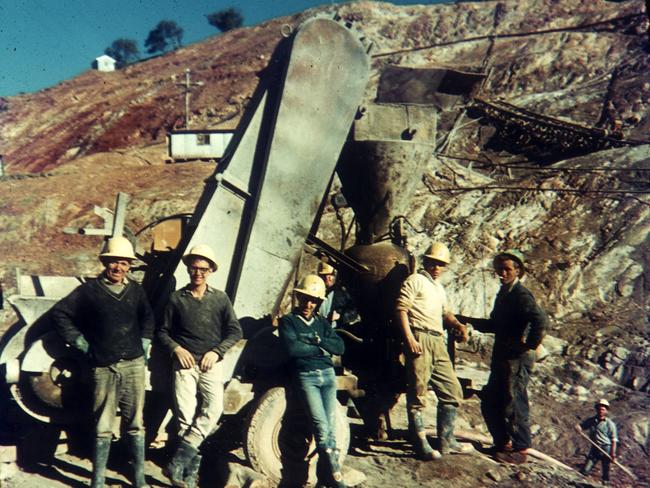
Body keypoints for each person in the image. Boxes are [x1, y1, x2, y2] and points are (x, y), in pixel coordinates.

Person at [53, 236, 154, 488]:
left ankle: (139, 478)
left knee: (135, 424)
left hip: (133, 365)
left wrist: (144, 342)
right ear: (104, 263)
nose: (118, 268)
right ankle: (97, 480)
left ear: (130, 266)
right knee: (103, 426)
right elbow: (60, 313)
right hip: (103, 367)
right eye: (113, 262)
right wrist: (80, 343)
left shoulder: (136, 291)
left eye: (123, 263)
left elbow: (148, 318)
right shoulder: (88, 291)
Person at [157, 244, 242, 488]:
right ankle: (188, 476)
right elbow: (162, 332)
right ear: (188, 269)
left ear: (211, 271)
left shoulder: (220, 298)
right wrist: (177, 349)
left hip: (210, 365)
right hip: (184, 365)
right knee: (185, 417)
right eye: (194, 268)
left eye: (203, 269)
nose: (198, 273)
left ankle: (176, 463)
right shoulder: (176, 299)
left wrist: (216, 352)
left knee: (213, 410)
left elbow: (235, 331)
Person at [461, 249, 547, 464]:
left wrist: (528, 345)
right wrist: (465, 320)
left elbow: (541, 321)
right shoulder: (504, 294)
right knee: (490, 400)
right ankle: (502, 443)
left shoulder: (521, 295)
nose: (502, 273)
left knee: (514, 401)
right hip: (503, 356)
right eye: (500, 269)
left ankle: (521, 449)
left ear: (517, 271)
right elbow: (494, 325)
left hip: (516, 358)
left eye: (507, 269)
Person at [396, 242, 471, 460]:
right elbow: (401, 309)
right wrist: (409, 338)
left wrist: (457, 325)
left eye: (441, 264)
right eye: (433, 262)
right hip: (420, 336)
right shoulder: (415, 280)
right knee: (418, 391)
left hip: (438, 340)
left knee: (451, 390)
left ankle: (447, 441)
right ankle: (420, 443)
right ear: (426, 261)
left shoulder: (439, 288)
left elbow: (445, 313)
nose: (436, 267)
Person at [279, 274, 347, 488]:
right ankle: (335, 477)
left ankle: (324, 479)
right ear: (298, 297)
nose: (309, 304)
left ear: (319, 302)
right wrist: (320, 348)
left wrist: (315, 340)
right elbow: (293, 349)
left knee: (329, 427)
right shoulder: (288, 321)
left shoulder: (322, 323)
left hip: (328, 377)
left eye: (314, 300)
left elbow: (340, 347)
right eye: (306, 298)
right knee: (320, 426)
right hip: (307, 377)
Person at [576, 398, 618, 483]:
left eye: (603, 409)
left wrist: (613, 454)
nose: (600, 411)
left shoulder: (610, 424)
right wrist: (578, 427)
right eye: (599, 409)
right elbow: (582, 426)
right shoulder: (592, 420)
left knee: (605, 470)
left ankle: (605, 484)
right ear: (596, 409)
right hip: (595, 447)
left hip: (606, 448)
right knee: (585, 469)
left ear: (606, 411)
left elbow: (614, 440)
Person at [317, 262, 358, 329]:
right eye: (324, 276)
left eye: (330, 275)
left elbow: (353, 312)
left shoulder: (343, 293)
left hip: (335, 331)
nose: (328, 278)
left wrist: (339, 316)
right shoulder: (316, 291)